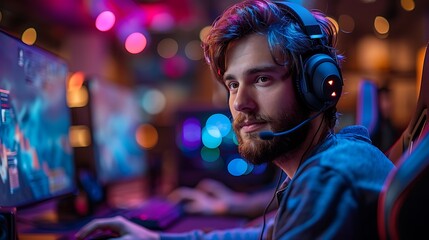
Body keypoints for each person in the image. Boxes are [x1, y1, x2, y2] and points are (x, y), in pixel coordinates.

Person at [75, 0, 395, 239]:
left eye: (262, 79)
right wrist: (156, 237)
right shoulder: (328, 160)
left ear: (315, 86)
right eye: (233, 84)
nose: (240, 103)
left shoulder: (329, 176)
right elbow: (263, 235)